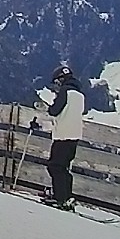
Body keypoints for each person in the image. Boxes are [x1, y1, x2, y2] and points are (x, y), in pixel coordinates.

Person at [37, 64, 86, 208]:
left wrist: (46, 108)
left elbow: (55, 111)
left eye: (57, 82)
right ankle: (67, 197)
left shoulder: (65, 91)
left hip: (63, 135)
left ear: (61, 79)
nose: (56, 86)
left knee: (55, 166)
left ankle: (60, 198)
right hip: (75, 135)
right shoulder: (80, 95)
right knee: (64, 167)